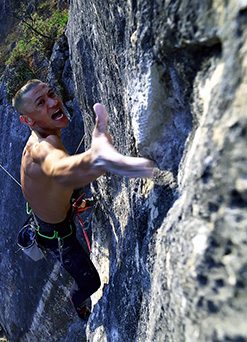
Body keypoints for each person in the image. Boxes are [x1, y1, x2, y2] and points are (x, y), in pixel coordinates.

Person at [12, 79, 155, 321]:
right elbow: (59, 168)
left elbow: (59, 174)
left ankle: (72, 202)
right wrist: (96, 160)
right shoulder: (41, 148)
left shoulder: (43, 138)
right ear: (27, 120)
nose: (53, 101)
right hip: (57, 236)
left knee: (73, 186)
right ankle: (76, 302)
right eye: (40, 102)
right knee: (90, 283)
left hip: (50, 216)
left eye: (51, 93)